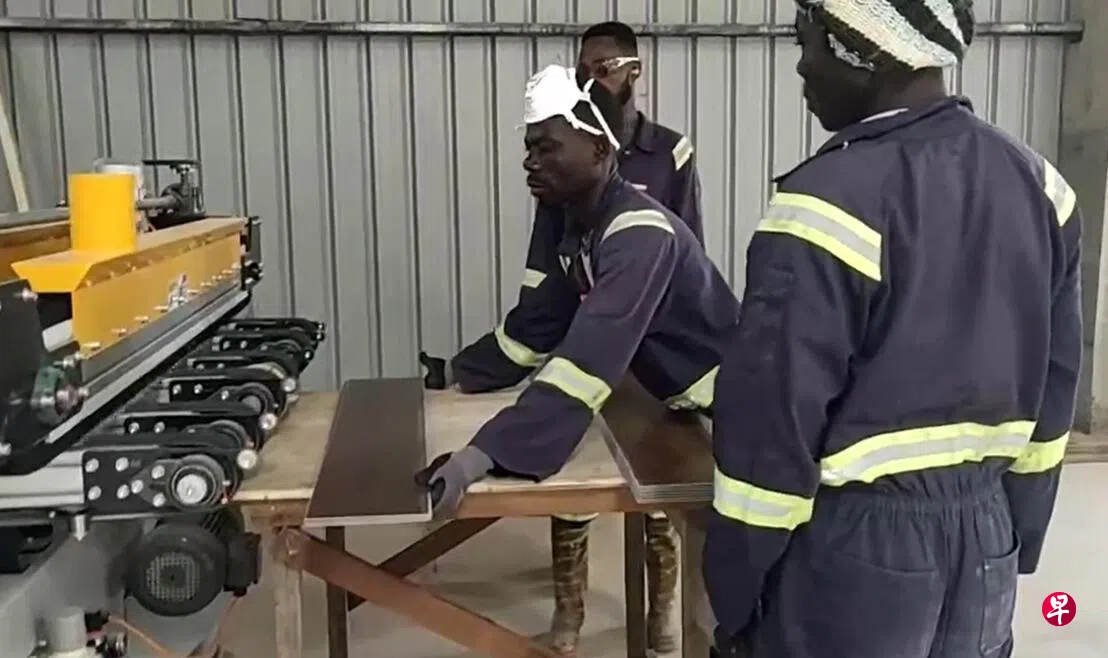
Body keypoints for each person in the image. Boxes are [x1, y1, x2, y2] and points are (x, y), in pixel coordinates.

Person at [704, 1, 1082, 657]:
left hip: (856, 556)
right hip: (986, 533)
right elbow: (1055, 385)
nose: (802, 66)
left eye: (809, 42)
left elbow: (769, 429)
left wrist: (735, 590)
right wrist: (1014, 532)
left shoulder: (824, 204)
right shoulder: (1041, 187)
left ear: (862, 52)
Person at [415, 64, 739, 655]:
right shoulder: (584, 228)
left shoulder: (638, 234)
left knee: (723, 592)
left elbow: (587, 360)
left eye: (546, 147)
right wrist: (458, 374)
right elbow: (537, 327)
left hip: (734, 415)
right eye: (528, 148)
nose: (530, 162)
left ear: (598, 148)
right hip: (679, 405)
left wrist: (480, 456)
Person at [576, 20, 705, 246]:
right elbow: (545, 251)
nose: (590, 84)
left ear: (634, 70)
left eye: (603, 70)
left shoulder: (672, 152)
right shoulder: (570, 148)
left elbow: (690, 247)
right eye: (583, 74)